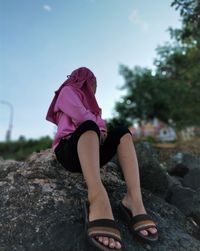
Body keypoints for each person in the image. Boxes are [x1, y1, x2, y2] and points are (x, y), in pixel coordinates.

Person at [46, 67, 158, 251]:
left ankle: (134, 199)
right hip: (70, 151)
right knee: (89, 125)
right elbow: (81, 116)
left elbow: (100, 125)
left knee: (122, 131)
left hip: (92, 152)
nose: (93, 87)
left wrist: (101, 128)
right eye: (92, 83)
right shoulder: (67, 92)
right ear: (82, 80)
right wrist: (99, 127)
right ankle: (98, 197)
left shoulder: (93, 106)